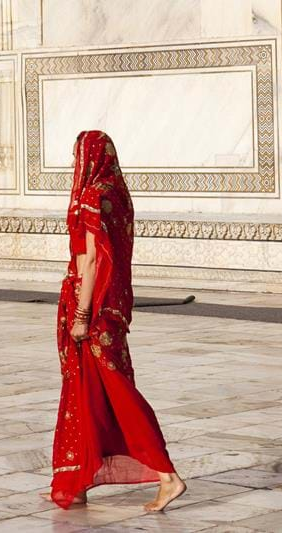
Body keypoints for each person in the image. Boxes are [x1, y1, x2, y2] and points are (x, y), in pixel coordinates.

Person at [45, 130, 185, 511]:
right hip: (111, 308)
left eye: (78, 157)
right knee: (87, 393)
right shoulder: (116, 192)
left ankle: (167, 476)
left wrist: (81, 315)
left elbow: (91, 260)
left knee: (118, 394)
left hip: (93, 309)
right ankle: (77, 477)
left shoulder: (92, 197)